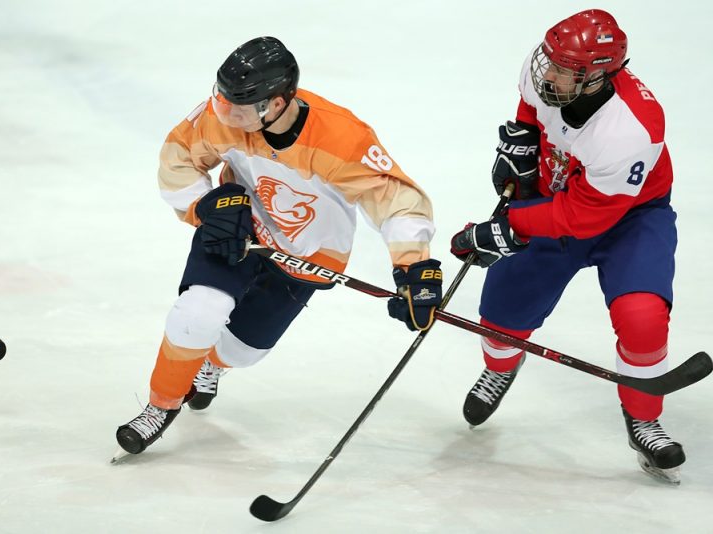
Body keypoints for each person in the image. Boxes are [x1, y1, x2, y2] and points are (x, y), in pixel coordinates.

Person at [115, 36, 441, 457]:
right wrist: (209, 204)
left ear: (279, 103)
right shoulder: (227, 117)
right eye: (223, 99)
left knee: (244, 351)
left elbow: (393, 199)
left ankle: (210, 364)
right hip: (238, 229)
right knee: (198, 312)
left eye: (241, 106)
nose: (226, 113)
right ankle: (161, 405)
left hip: (308, 252)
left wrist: (413, 266)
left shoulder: (341, 137)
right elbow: (178, 158)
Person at [450, 10, 685, 483]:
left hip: (629, 218)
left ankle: (643, 418)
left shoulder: (631, 130)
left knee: (642, 317)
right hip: (557, 191)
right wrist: (522, 143)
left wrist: (509, 225)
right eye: (549, 61)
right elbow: (530, 111)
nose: (547, 74)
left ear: (598, 74)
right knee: (500, 315)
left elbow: (579, 218)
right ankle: (501, 367)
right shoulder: (550, 74)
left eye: (563, 69)